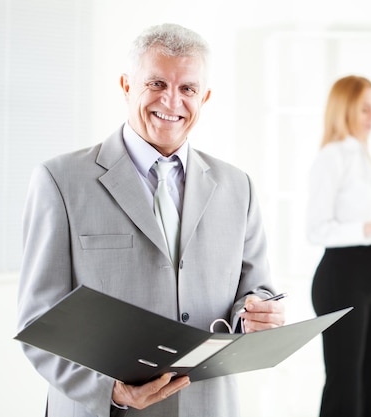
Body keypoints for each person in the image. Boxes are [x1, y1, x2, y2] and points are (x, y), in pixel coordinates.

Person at [16, 23, 285, 417]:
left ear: (204, 97)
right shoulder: (60, 181)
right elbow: (39, 323)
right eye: (156, 83)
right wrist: (114, 392)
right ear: (126, 85)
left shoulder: (237, 186)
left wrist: (256, 313)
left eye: (187, 88)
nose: (171, 100)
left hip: (206, 406)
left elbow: (254, 289)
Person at [305, 75, 371, 417]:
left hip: (366, 281)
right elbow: (316, 230)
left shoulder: (364, 157)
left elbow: (360, 232)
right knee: (345, 382)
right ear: (345, 108)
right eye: (364, 108)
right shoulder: (332, 156)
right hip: (340, 282)